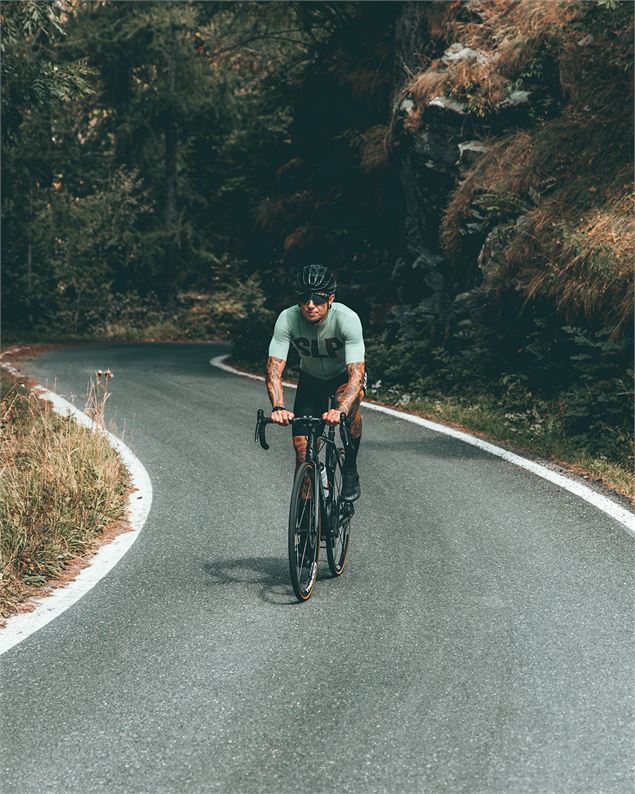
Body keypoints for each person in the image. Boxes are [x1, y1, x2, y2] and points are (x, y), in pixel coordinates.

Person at [266, 264, 365, 501]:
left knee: (350, 407)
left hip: (343, 378)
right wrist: (278, 407)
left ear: (330, 298)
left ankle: (350, 467)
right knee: (302, 453)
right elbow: (274, 370)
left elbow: (356, 375)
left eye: (318, 298)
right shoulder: (288, 318)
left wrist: (340, 410)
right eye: (304, 298)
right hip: (311, 382)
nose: (310, 304)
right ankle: (305, 525)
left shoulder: (347, 319)